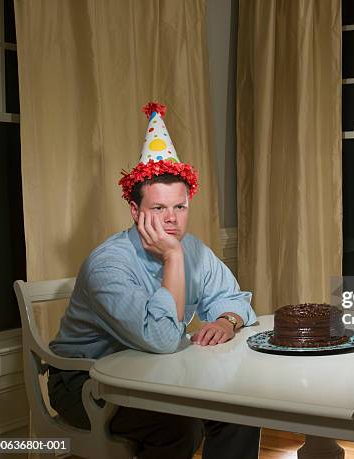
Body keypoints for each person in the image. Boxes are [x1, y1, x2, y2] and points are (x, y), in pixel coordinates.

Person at [48, 102, 260, 459]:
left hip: (157, 373)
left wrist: (227, 319)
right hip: (86, 382)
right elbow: (161, 340)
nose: (172, 220)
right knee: (178, 427)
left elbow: (234, 297)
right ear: (135, 211)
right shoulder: (108, 265)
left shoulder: (195, 249)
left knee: (242, 409)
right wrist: (172, 257)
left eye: (179, 207)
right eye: (158, 208)